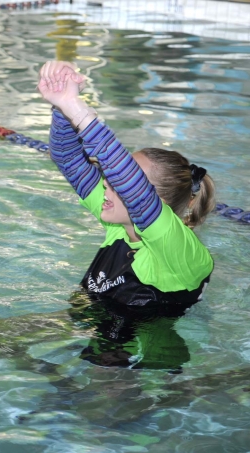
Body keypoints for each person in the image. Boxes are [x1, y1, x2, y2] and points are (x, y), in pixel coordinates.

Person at [38, 60, 215, 314]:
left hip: (139, 352)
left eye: (119, 179)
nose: (107, 183)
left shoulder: (181, 249)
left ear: (159, 202)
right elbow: (67, 158)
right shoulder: (120, 228)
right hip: (87, 332)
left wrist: (76, 108)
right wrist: (61, 106)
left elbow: (132, 187)